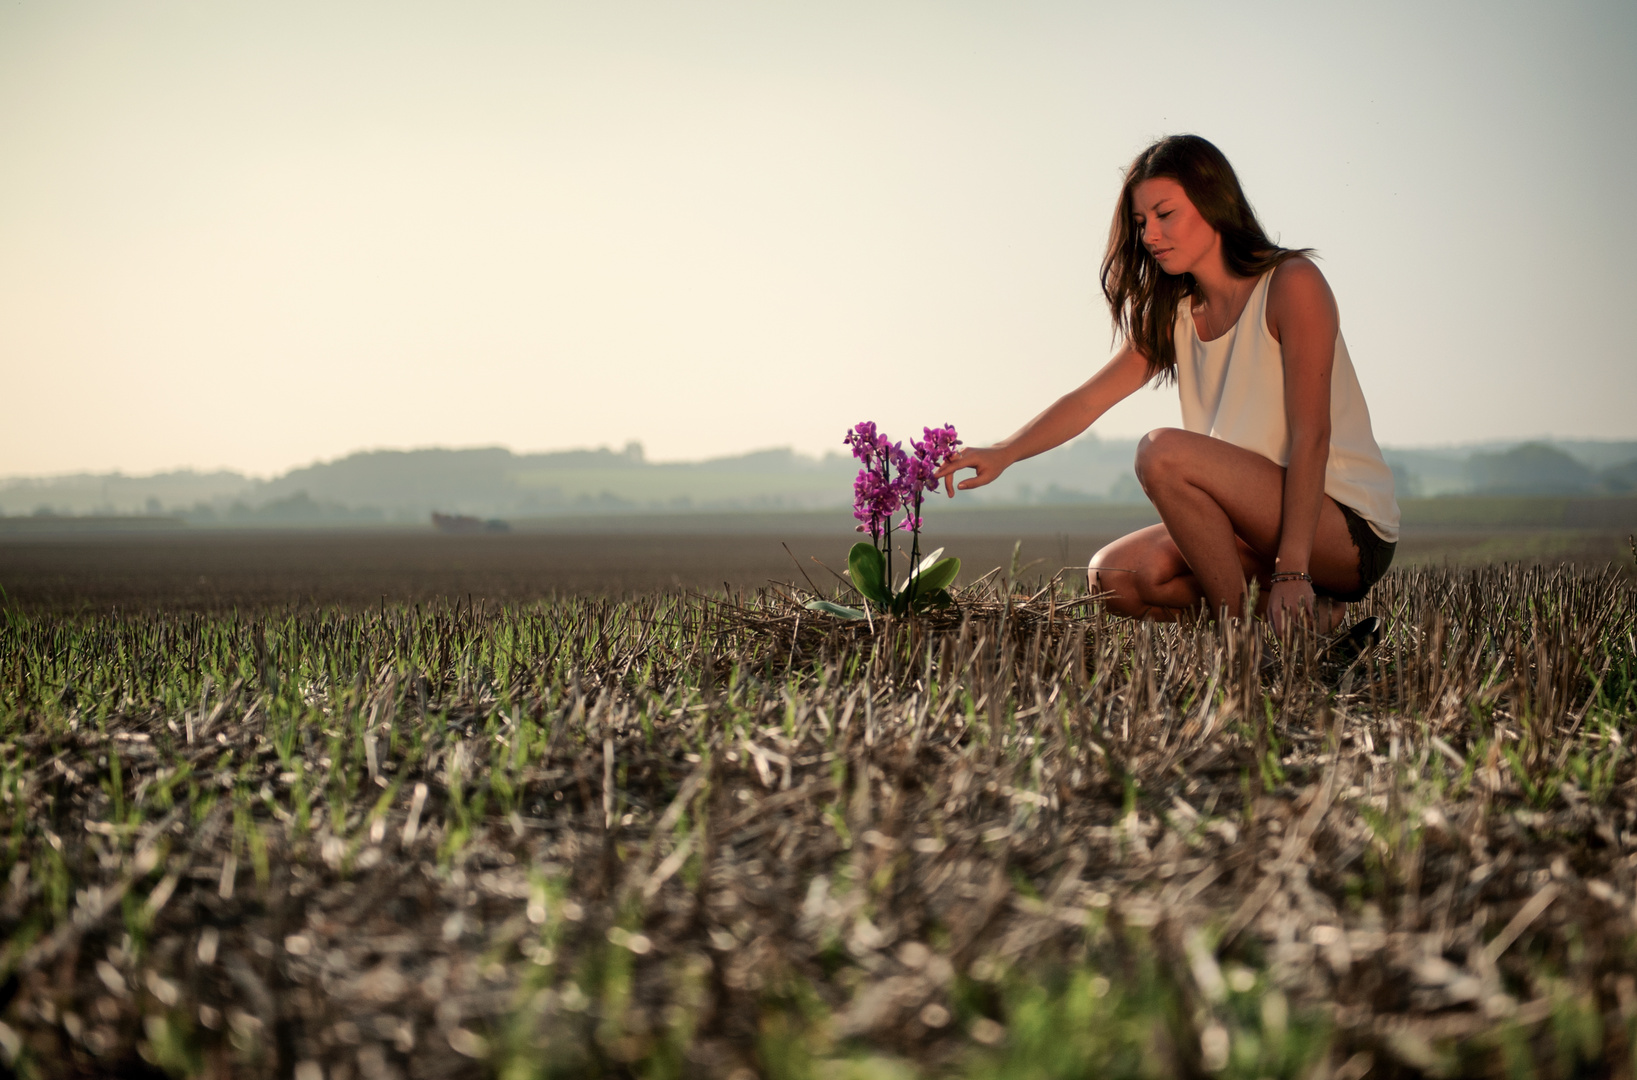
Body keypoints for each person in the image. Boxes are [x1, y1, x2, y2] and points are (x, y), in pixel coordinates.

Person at [934, 135, 1398, 636]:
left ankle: (1237, 639)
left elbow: (1313, 437)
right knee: (1114, 576)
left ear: (1214, 202)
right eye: (1141, 222)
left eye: (1164, 213)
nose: (1150, 234)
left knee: (1162, 452)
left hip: (1341, 527)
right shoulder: (1175, 315)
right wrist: (1004, 452)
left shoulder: (1291, 283)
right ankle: (1310, 625)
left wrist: (1292, 570)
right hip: (1250, 524)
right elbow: (1089, 399)